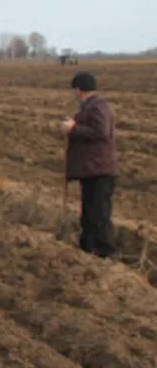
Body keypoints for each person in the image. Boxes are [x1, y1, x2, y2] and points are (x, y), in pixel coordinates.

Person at [63, 72, 119, 258]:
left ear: (78, 90)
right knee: (88, 214)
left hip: (100, 170)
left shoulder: (98, 107)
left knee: (100, 215)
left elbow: (100, 132)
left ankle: (105, 252)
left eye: (74, 91)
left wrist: (74, 129)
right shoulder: (92, 106)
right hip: (91, 170)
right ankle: (86, 250)